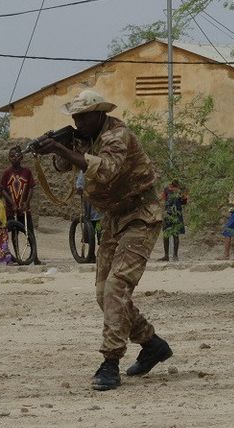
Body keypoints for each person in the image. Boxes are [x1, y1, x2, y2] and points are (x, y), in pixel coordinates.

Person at [35, 89, 173, 392]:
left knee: (116, 287)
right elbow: (65, 167)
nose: (78, 121)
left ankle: (110, 362)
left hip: (140, 215)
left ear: (99, 114)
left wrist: (63, 149)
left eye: (83, 116)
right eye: (75, 117)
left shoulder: (117, 135)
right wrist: (60, 149)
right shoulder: (84, 138)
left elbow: (107, 170)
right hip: (113, 219)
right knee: (103, 293)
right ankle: (151, 343)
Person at [2, 146, 41, 264]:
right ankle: (18, 256)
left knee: (29, 232)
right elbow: (3, 190)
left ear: (22, 156)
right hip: (11, 209)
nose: (15, 157)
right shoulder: (7, 173)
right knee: (14, 232)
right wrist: (12, 203)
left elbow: (31, 188)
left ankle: (35, 257)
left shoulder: (27, 172)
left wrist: (26, 202)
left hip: (24, 209)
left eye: (17, 155)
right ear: (9, 158)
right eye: (12, 155)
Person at [160, 179, 188, 261]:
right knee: (166, 235)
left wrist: (182, 196)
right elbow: (163, 200)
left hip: (176, 214)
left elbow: (184, 201)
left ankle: (175, 255)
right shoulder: (166, 189)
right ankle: (166, 256)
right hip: (168, 214)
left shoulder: (180, 191)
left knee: (175, 234)